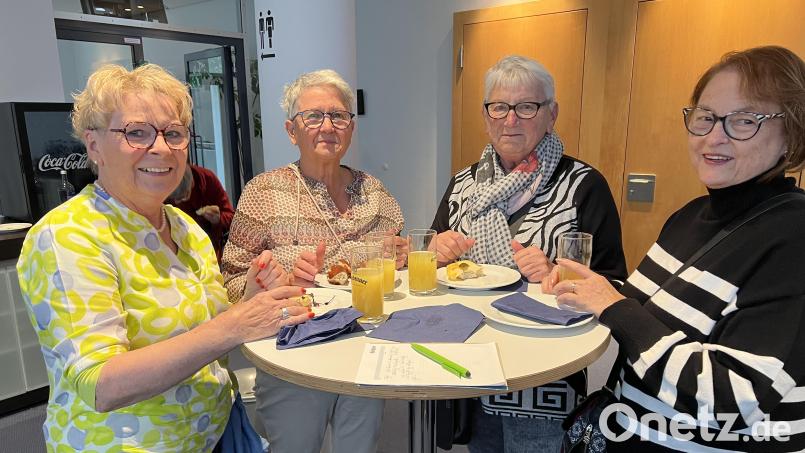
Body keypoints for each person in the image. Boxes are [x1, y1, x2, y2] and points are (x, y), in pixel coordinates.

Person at [16, 64, 312, 453]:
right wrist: (235, 326)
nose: (160, 148)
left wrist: (251, 299)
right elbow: (102, 384)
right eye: (136, 132)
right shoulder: (67, 237)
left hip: (218, 431)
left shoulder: (183, 227)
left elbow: (200, 329)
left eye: (173, 133)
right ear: (93, 146)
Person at [546, 45, 805, 451]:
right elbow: (651, 313)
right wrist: (592, 289)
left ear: (792, 133)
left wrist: (614, 306)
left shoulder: (792, 236)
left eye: (744, 120)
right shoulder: (690, 216)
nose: (714, 136)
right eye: (705, 117)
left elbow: (737, 403)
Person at [431, 55, 627, 452]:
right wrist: (435, 248)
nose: (510, 120)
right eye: (499, 107)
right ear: (486, 116)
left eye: (526, 107)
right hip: (469, 354)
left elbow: (613, 280)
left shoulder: (583, 185)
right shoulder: (464, 183)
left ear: (551, 113)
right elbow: (432, 252)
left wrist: (556, 270)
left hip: (543, 367)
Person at [221, 69, 405, 453]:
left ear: (351, 128)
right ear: (292, 130)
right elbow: (231, 282)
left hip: (364, 347)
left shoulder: (374, 191)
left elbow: (397, 258)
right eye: (313, 117)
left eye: (338, 116)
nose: (328, 126)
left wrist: (401, 256)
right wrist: (273, 280)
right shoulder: (264, 191)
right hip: (294, 357)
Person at [167, 162, 235, 261]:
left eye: (185, 196)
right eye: (176, 199)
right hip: (177, 254)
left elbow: (232, 218)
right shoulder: (159, 193)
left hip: (211, 251)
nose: (179, 202)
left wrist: (218, 219)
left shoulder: (207, 179)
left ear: (192, 183)